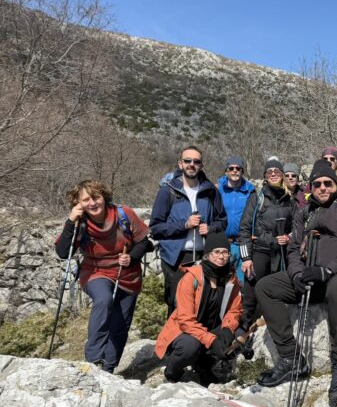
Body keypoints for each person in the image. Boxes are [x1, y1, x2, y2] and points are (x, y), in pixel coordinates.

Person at [254, 159, 337, 407]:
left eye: (327, 183)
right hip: (313, 276)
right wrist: (298, 274)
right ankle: (291, 359)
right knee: (266, 287)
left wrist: (328, 269)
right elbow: (295, 248)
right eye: (317, 184)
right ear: (310, 187)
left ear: (335, 183)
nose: (322, 188)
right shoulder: (305, 212)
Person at [55, 180, 152, 373]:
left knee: (120, 326)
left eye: (96, 197)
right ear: (78, 203)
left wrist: (131, 258)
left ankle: (108, 369)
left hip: (127, 275)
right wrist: (70, 220)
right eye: (86, 200)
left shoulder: (124, 214)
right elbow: (63, 252)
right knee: (103, 299)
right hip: (95, 271)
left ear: (104, 197)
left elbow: (144, 242)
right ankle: (93, 359)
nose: (92, 203)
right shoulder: (79, 222)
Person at [154, 231, 243, 386]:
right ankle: (172, 371)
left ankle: (204, 367)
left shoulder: (230, 278)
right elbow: (185, 320)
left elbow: (235, 310)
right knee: (190, 347)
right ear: (207, 255)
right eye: (216, 252)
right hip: (186, 330)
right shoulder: (191, 278)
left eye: (225, 252)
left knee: (238, 335)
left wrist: (228, 330)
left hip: (212, 328)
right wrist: (212, 340)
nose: (221, 257)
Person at [150, 146, 227, 317]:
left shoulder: (210, 191)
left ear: (201, 165)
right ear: (180, 164)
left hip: (204, 256)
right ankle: (174, 343)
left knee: (204, 302)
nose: (191, 164)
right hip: (176, 258)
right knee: (177, 305)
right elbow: (155, 228)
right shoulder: (168, 191)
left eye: (196, 161)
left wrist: (210, 228)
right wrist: (184, 225)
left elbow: (222, 221)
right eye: (187, 161)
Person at [238, 157, 295, 328]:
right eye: (269, 172)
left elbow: (295, 226)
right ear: (264, 176)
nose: (273, 174)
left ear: (282, 175)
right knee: (251, 293)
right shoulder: (257, 198)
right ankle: (244, 328)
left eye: (277, 171)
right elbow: (245, 228)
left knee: (274, 291)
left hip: (281, 254)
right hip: (260, 251)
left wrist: (290, 237)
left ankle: (269, 326)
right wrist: (246, 258)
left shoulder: (288, 199)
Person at [217, 155, 256, 284]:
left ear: (242, 171)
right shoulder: (218, 190)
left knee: (242, 283)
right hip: (223, 243)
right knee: (221, 281)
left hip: (242, 244)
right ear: (226, 171)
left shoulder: (250, 191)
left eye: (238, 168)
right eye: (231, 168)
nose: (235, 171)